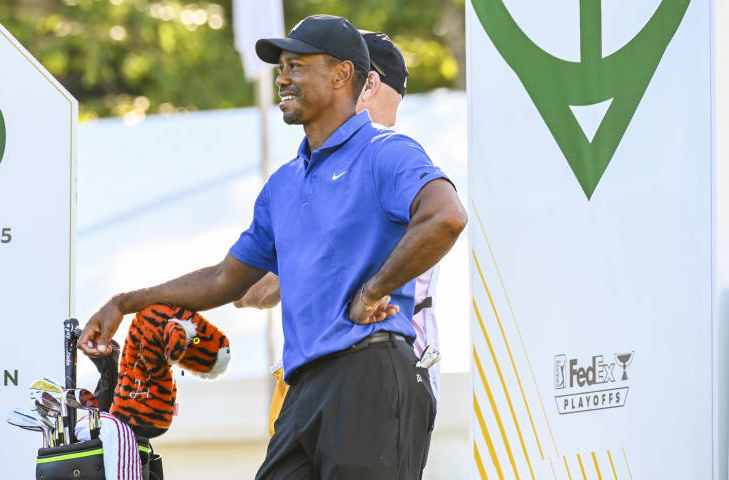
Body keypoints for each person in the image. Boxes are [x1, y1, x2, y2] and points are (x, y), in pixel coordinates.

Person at [78, 14, 466, 479]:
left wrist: (372, 290)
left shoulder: (387, 150)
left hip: (372, 369)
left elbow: (446, 215)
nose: (282, 77)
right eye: (281, 67)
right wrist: (126, 302)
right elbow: (227, 280)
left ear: (342, 74)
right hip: (304, 386)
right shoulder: (282, 184)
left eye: (297, 65)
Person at [235, 30, 447, 437]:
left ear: (363, 80)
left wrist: (244, 276)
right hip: (348, 373)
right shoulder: (355, 159)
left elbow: (259, 289)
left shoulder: (386, 156)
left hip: (381, 371)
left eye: (329, 68)